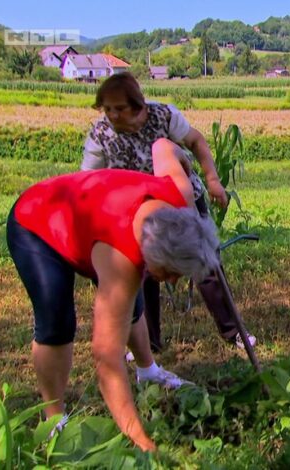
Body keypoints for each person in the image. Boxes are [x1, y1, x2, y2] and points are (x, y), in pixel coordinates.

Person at [7, 138, 220, 451]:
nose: (172, 280)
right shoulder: (121, 260)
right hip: (38, 221)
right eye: (171, 273)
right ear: (154, 254)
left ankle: (148, 372)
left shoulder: (180, 194)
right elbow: (106, 357)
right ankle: (54, 422)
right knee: (57, 322)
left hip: (92, 213)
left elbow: (163, 145)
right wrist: (141, 441)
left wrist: (188, 164)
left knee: (132, 304)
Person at [81, 72, 241, 351]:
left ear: (138, 105)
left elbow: (197, 142)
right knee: (143, 274)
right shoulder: (100, 134)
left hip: (182, 200)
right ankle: (149, 343)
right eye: (107, 108)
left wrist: (213, 180)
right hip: (136, 212)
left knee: (205, 262)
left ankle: (234, 332)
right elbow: (88, 181)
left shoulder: (164, 116)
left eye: (119, 108)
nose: (112, 115)